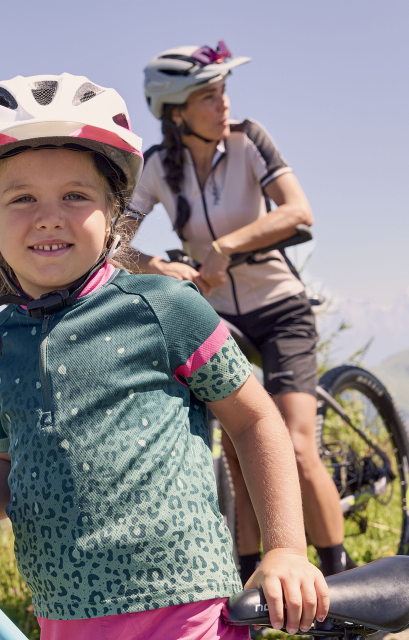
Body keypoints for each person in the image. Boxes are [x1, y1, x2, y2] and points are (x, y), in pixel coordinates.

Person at [0, 72, 327, 639]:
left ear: (113, 212)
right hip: (62, 617)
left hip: (184, 609)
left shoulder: (162, 306)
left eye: (75, 196)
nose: (49, 216)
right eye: (21, 198)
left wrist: (287, 551)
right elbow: (10, 468)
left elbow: (254, 420)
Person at [127, 41, 349, 584]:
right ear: (176, 112)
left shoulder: (249, 140)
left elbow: (299, 211)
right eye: (209, 95)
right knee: (237, 446)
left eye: (224, 91)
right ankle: (250, 584)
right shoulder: (158, 167)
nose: (223, 103)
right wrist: (156, 265)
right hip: (219, 315)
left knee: (296, 447)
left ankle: (341, 578)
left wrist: (225, 247)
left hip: (279, 306)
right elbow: (111, 243)